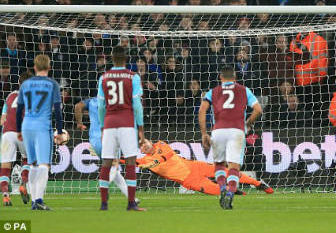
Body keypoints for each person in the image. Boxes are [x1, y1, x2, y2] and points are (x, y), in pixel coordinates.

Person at [198, 65, 262, 209]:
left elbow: (202, 110)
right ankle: (231, 193)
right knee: (234, 166)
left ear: (221, 77)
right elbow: (258, 109)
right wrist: (248, 124)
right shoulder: (244, 90)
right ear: (235, 78)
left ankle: (222, 189)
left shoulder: (212, 91)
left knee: (220, 165)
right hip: (237, 130)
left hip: (218, 130)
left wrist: (204, 133)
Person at [97, 46, 145, 211]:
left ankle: (104, 204)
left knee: (106, 162)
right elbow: (137, 105)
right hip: (126, 123)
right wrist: (140, 127)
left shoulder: (103, 77)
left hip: (110, 123)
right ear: (126, 59)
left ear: (112, 58)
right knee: (131, 161)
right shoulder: (133, 77)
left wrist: (103, 125)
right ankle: (131, 203)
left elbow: (101, 106)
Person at [136, 139, 273, 195]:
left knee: (225, 172)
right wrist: (115, 160)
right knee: (218, 191)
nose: (144, 145)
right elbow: (128, 161)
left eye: (145, 142)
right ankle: (237, 193)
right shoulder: (143, 160)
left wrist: (154, 163)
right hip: (189, 181)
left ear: (150, 141)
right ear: (141, 150)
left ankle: (258, 184)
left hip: (195, 166)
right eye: (141, 145)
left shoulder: (160, 144)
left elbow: (168, 154)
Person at [16, 55, 64, 210]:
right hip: (43, 126)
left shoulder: (25, 84)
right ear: (49, 68)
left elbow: (19, 109)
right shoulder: (52, 84)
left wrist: (18, 129)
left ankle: (34, 202)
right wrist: (60, 130)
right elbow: (57, 109)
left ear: (35, 68)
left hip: (26, 125)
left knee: (33, 164)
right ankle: (38, 200)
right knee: (44, 165)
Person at [74, 97, 139, 204]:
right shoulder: (116, 101)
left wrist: (79, 123)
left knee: (114, 170)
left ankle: (131, 198)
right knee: (114, 166)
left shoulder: (92, 101)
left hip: (95, 141)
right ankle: (104, 186)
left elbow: (77, 106)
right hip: (110, 136)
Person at [0, 71, 32, 206]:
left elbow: (2, 119)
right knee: (28, 159)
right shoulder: (33, 97)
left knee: (5, 165)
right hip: (23, 132)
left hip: (7, 133)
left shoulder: (11, 95)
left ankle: (6, 195)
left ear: (19, 83)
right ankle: (23, 183)